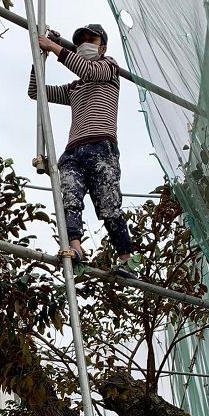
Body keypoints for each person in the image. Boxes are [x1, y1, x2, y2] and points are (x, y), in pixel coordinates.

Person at [28, 23, 137, 279]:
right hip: (74, 152)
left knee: (109, 205)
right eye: (82, 40)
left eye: (92, 39)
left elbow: (88, 69)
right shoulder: (75, 88)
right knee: (70, 200)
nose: (87, 43)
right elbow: (36, 93)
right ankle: (75, 247)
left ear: (103, 46)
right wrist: (39, 59)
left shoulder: (109, 68)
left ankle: (127, 259)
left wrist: (54, 48)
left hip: (102, 147)